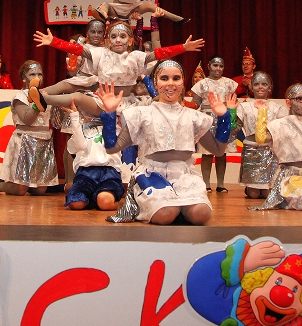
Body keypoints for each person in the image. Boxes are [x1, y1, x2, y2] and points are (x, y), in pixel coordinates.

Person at [97, 62, 236, 225]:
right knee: (166, 213)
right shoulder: (142, 114)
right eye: (164, 78)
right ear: (155, 83)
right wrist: (110, 114)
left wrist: (224, 117)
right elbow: (112, 147)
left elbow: (218, 150)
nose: (170, 83)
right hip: (152, 176)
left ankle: (180, 207)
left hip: (184, 176)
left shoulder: (194, 117)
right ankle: (166, 207)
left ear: (183, 83)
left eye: (176, 78)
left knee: (201, 214)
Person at [29, 21, 203, 117]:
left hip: (127, 103)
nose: (118, 40)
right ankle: (42, 99)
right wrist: (54, 42)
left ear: (130, 40)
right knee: (78, 97)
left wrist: (183, 48)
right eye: (113, 36)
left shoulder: (136, 57)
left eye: (122, 36)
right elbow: (78, 49)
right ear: (108, 40)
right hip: (102, 101)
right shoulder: (100, 53)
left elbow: (158, 54)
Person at [0, 60, 58, 195]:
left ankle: (29, 185)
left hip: (43, 142)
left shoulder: (46, 95)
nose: (37, 77)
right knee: (20, 190)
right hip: (25, 142)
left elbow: (56, 122)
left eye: (39, 74)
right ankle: (0, 185)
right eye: (32, 74)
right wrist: (38, 104)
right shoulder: (20, 97)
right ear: (23, 78)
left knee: (40, 190)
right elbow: (27, 119)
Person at [59, 98, 125, 211]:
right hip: (85, 174)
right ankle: (92, 198)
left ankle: (105, 199)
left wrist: (111, 112)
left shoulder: (115, 128)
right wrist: (74, 116)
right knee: (75, 204)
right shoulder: (82, 128)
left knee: (105, 203)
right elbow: (80, 145)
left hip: (108, 173)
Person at [236, 72, 289, 199]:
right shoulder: (244, 107)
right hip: (251, 151)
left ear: (270, 87)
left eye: (264, 84)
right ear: (251, 87)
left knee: (266, 194)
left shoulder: (277, 108)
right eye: (256, 84)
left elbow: (282, 131)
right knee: (253, 195)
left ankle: (266, 187)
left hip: (270, 151)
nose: (260, 87)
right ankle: (250, 188)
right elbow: (236, 127)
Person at [192, 56, 239, 193]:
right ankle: (206, 184)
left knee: (222, 153)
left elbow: (233, 102)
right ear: (209, 66)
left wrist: (232, 117)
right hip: (207, 120)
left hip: (223, 119)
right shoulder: (201, 84)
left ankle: (221, 184)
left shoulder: (230, 83)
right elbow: (196, 103)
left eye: (221, 66)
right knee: (206, 153)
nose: (218, 68)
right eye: (215, 65)